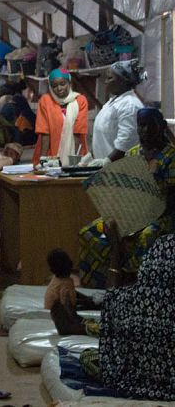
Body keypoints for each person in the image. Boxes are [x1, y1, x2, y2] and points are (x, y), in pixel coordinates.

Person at [79, 108, 175, 288]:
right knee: (89, 231)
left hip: (161, 216)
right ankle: (101, 287)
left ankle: (135, 287)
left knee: (146, 236)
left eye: (149, 126)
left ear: (160, 127)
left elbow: (172, 199)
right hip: (131, 213)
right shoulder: (133, 154)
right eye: (141, 126)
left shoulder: (171, 157)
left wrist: (146, 216)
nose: (144, 130)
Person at [98, 233, 175, 401]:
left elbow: (110, 299)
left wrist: (116, 253)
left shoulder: (131, 302)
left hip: (131, 385)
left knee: (89, 357)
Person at [85, 59, 147, 165]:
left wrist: (107, 161)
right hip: (108, 169)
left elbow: (126, 141)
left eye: (110, 78)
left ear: (123, 80)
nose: (105, 81)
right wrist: (90, 155)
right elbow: (104, 136)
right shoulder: (114, 102)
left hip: (121, 169)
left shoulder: (130, 105)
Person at [33, 68, 89, 165]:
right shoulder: (45, 101)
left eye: (62, 84)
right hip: (52, 154)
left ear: (69, 83)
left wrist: (74, 159)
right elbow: (44, 132)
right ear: (50, 86)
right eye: (54, 86)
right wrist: (43, 159)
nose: (59, 88)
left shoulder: (80, 100)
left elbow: (78, 131)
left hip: (75, 153)